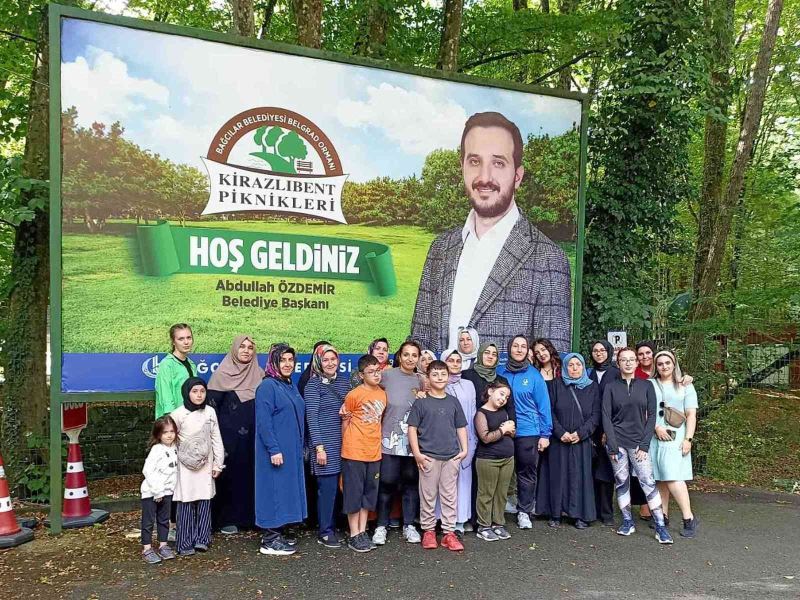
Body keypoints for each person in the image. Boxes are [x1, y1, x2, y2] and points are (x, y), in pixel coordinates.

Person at [411, 111, 572, 355]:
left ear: (517, 176)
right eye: (475, 161)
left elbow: (553, 363)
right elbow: (417, 345)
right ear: (462, 168)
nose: (484, 177)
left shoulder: (550, 259)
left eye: (498, 163)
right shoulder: (440, 248)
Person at [602, 348, 673, 544]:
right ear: (618, 363)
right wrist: (612, 446)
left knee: (647, 481)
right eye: (623, 360)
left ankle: (660, 526)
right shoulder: (610, 387)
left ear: (636, 363)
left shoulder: (647, 385)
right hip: (617, 443)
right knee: (622, 481)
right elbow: (606, 416)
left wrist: (644, 444)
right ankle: (627, 521)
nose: (628, 363)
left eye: (631, 359)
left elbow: (652, 416)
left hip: (638, 443)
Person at [408, 360, 468, 552]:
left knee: (449, 496)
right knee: (428, 495)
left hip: (451, 456)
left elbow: (461, 427)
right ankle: (428, 531)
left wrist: (464, 450)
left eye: (443, 374)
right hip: (428, 457)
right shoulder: (421, 402)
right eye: (435, 374)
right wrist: (417, 454)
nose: (440, 378)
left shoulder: (453, 401)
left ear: (448, 376)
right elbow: (412, 429)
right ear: (428, 377)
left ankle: (449, 533)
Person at [536, 353, 599, 529]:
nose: (574, 368)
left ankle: (579, 515)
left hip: (581, 441)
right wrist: (560, 432)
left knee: (579, 477)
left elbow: (596, 415)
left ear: (583, 367)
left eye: (578, 365)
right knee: (557, 475)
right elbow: (549, 411)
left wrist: (581, 433)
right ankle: (555, 513)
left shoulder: (592, 387)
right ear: (565, 367)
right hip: (559, 440)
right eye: (570, 365)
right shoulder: (556, 385)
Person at [255, 343, 307, 556]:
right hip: (275, 452)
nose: (287, 364)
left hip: (291, 451)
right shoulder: (267, 386)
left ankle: (279, 533)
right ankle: (269, 540)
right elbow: (263, 422)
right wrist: (273, 449)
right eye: (282, 360)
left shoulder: (288, 385)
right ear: (273, 362)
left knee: (285, 491)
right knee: (273, 492)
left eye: (290, 360)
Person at [207, 335, 262, 535]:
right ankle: (227, 519)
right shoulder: (220, 376)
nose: (246, 351)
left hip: (254, 440)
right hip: (228, 442)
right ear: (234, 349)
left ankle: (251, 518)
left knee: (251, 476)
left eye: (250, 347)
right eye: (242, 347)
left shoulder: (260, 375)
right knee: (230, 477)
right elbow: (211, 411)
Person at [373, 340, 424, 546]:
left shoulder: (421, 381)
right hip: (389, 440)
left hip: (413, 444)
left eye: (414, 355)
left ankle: (409, 525)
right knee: (387, 483)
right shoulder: (387, 376)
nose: (410, 359)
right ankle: (381, 526)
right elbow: (368, 391)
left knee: (411, 484)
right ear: (399, 357)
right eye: (406, 354)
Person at [497, 335, 551, 529]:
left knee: (526, 472)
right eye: (515, 346)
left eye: (523, 346)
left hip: (528, 431)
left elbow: (543, 406)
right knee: (500, 471)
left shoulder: (534, 375)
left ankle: (524, 511)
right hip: (503, 430)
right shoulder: (500, 372)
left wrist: (545, 434)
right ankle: (498, 509)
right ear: (509, 348)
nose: (519, 350)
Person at [170, 377, 225, 556]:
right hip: (185, 467)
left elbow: (216, 438)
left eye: (202, 391)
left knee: (204, 500)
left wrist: (218, 464)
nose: (199, 395)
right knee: (186, 501)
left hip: (205, 465)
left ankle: (203, 539)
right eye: (194, 392)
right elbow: (171, 441)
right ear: (187, 393)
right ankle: (185, 542)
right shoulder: (177, 415)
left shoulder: (209, 412)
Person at [462, 341, 517, 516]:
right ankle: (472, 517)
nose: (490, 356)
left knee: (493, 484)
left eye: (494, 354)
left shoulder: (501, 381)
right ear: (480, 354)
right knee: (471, 478)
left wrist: (511, 427)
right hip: (470, 432)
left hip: (496, 435)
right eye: (487, 352)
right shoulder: (467, 375)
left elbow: (510, 408)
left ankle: (493, 519)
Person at [303, 344, 350, 548]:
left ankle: (336, 525)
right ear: (318, 362)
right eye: (325, 360)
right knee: (327, 490)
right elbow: (312, 418)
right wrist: (319, 448)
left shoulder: (345, 383)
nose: (330, 363)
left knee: (340, 489)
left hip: (345, 443)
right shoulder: (313, 386)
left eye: (333, 359)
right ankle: (325, 531)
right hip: (325, 445)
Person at [649, 350, 699, 538]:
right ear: (656, 366)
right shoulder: (650, 384)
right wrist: (656, 427)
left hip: (676, 436)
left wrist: (688, 439)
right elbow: (643, 410)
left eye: (667, 363)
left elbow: (691, 414)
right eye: (660, 363)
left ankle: (689, 518)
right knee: (660, 476)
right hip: (655, 434)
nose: (664, 366)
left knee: (672, 476)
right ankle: (662, 516)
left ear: (674, 364)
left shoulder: (685, 385)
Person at [340, 354, 387, 553]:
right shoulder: (354, 395)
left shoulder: (383, 394)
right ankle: (354, 534)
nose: (376, 375)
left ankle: (362, 531)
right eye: (371, 372)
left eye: (378, 371)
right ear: (361, 375)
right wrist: (346, 447)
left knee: (368, 495)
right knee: (354, 494)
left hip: (374, 452)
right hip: (354, 452)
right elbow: (346, 421)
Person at [441, 349, 478, 534]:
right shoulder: (438, 384)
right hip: (443, 440)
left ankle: (459, 522)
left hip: (465, 439)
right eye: (451, 360)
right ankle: (441, 519)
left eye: (458, 361)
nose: (455, 364)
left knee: (463, 481)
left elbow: (472, 412)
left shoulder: (469, 385)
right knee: (444, 482)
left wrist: (472, 441)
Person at [473, 382, 516, 541]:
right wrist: (503, 430)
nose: (504, 399)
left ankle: (498, 523)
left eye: (507, 397)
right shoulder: (481, 413)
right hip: (488, 460)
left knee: (501, 493)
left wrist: (510, 429)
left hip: (508, 458)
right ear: (491, 391)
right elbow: (485, 438)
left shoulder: (504, 412)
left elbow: (512, 433)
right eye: (501, 394)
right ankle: (483, 526)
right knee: (486, 493)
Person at [587, 340, 619, 525]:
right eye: (595, 351)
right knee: (591, 470)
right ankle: (592, 510)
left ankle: (606, 513)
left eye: (602, 350)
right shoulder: (588, 373)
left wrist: (610, 429)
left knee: (607, 472)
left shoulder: (616, 373)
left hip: (609, 429)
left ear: (608, 352)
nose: (599, 353)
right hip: (591, 428)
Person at [140, 415, 178, 564]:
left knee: (164, 520)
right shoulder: (156, 450)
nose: (169, 435)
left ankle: (163, 545)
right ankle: (147, 548)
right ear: (158, 434)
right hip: (152, 492)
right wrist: (157, 491)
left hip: (168, 492)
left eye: (172, 431)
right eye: (165, 432)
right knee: (148, 521)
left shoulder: (176, 448)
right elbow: (148, 470)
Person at [155, 323, 197, 418]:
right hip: (172, 419)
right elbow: (165, 396)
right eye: (181, 339)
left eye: (189, 338)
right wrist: (171, 419)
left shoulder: (192, 364)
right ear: (173, 342)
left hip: (189, 418)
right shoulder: (167, 364)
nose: (186, 342)